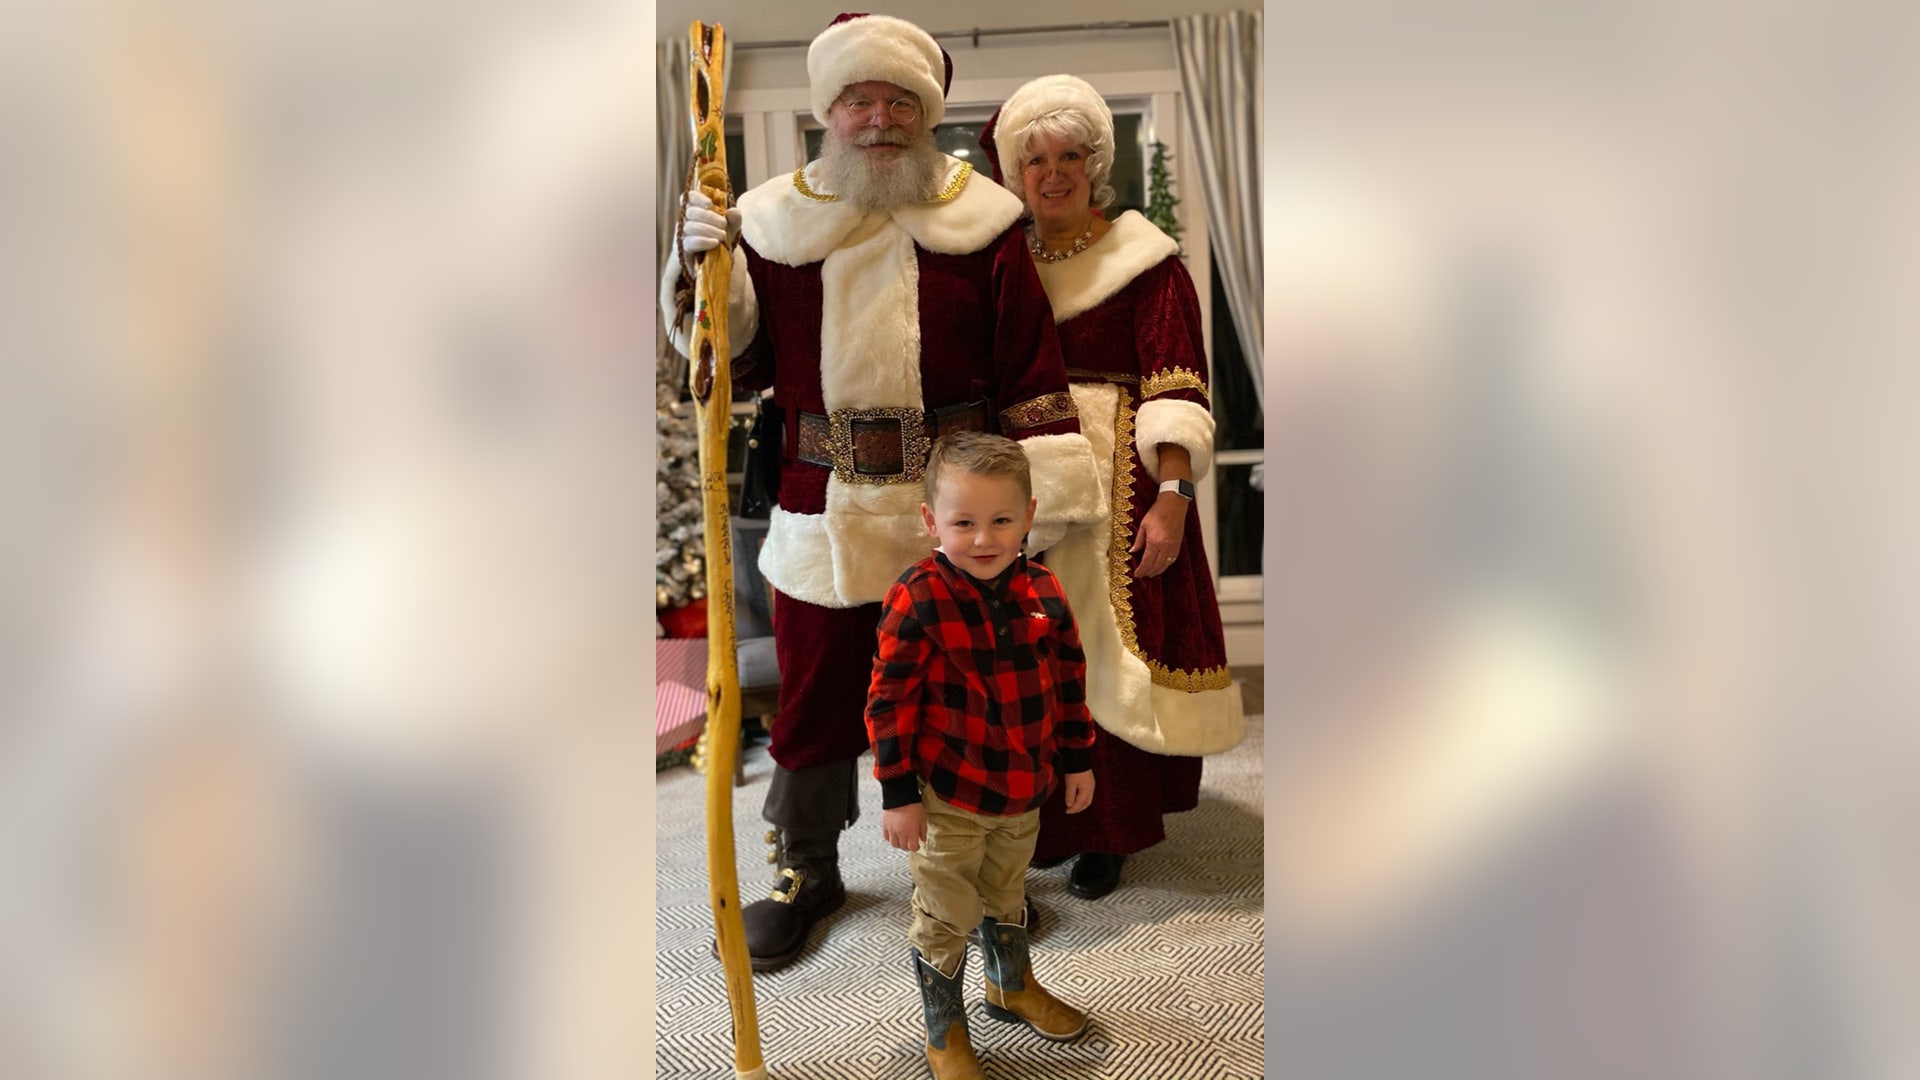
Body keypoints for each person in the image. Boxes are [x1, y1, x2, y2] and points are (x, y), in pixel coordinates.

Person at [660, 16, 1102, 972]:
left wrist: (1046, 504)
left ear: (926, 115)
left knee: (967, 689)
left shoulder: (981, 220)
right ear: (829, 113)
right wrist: (699, 275)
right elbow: (726, 361)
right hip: (822, 502)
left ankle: (982, 874)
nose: (878, 119)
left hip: (959, 511)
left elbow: (1030, 372)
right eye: (859, 100)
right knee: (817, 691)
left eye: (899, 102)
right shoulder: (772, 222)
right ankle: (808, 870)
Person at [982, 75, 1246, 901]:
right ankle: (1046, 822)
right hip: (1024, 478)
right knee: (1031, 651)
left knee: (1112, 651)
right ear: (1015, 174)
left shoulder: (1147, 261)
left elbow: (1178, 389)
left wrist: (1174, 498)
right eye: (1036, 161)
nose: (1053, 174)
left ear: (1095, 166)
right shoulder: (1001, 262)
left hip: (1122, 483)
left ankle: (1110, 830)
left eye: (1069, 157)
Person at [866, 432, 1095, 1080]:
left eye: (1001, 520)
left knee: (1006, 893)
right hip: (950, 800)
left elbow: (1070, 685)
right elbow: (887, 702)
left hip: (1024, 789)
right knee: (946, 913)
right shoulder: (918, 596)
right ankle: (945, 1029)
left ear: (1029, 515)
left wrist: (1077, 760)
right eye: (964, 523)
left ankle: (1009, 985)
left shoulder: (1046, 591)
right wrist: (899, 793)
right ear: (932, 522)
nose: (985, 538)